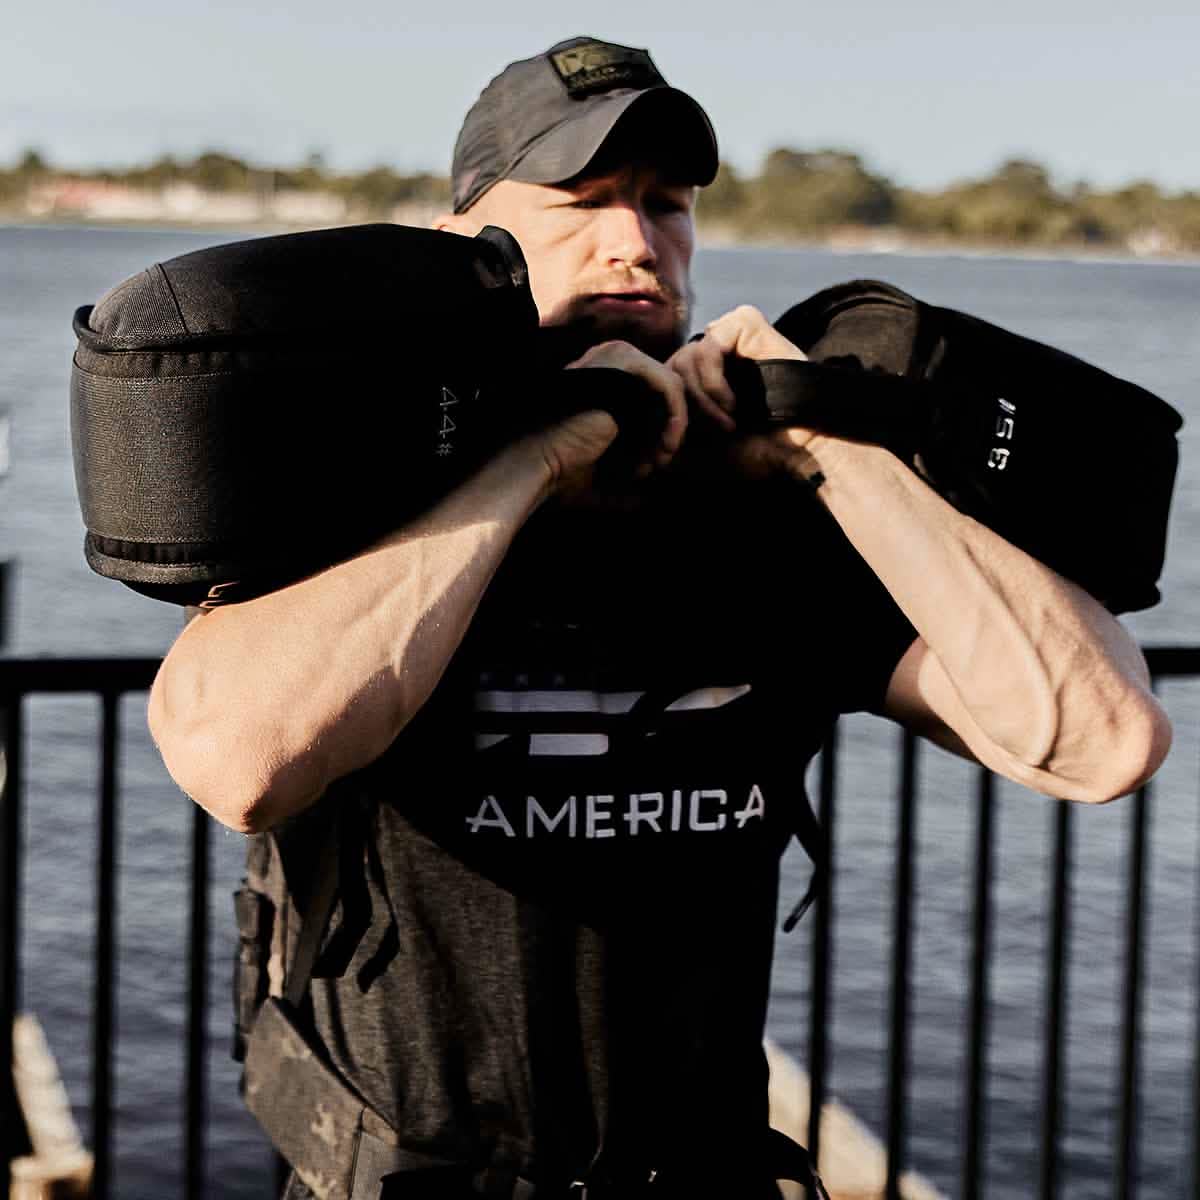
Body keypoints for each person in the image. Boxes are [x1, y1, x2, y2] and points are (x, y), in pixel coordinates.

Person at [147, 36, 1171, 1199]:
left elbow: (1102, 741)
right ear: (464, 244)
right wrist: (539, 454)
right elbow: (238, 760)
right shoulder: (378, 485)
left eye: (666, 206)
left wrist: (835, 450)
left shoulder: (777, 517)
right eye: (581, 202)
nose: (635, 242)